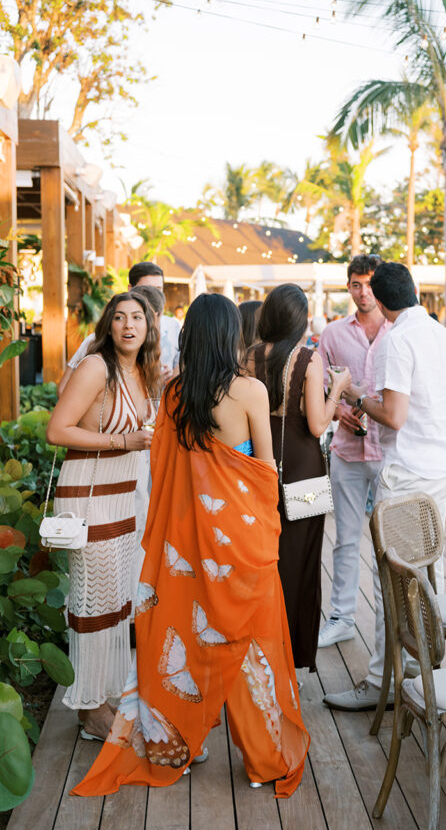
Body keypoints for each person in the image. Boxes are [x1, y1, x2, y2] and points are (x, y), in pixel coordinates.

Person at [72, 294, 309, 797]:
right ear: (232, 336)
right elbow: (266, 470)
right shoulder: (248, 391)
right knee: (250, 645)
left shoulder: (174, 393)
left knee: (190, 635)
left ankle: (182, 739)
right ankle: (264, 758)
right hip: (243, 540)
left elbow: (163, 473)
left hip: (189, 542)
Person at [323, 262, 446, 711]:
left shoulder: (397, 339)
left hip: (407, 471)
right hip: (441, 466)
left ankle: (381, 681)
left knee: (394, 577)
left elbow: (395, 415)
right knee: (427, 571)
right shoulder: (444, 336)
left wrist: (353, 396)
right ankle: (422, 668)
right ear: (415, 291)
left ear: (380, 302)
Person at [46, 292, 158, 739]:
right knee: (93, 603)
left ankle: (104, 695)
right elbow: (58, 429)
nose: (129, 325)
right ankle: (88, 709)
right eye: (120, 317)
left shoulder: (141, 372)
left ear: (149, 326)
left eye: (137, 317)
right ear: (108, 326)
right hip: (90, 498)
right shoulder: (97, 366)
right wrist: (121, 443)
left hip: (124, 498)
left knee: (116, 603)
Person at [246, 285, 351, 671]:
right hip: (305, 470)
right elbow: (318, 422)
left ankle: (258, 650)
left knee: (263, 559)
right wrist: (337, 389)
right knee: (302, 559)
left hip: (260, 462)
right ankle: (291, 655)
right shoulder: (309, 359)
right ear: (301, 318)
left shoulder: (250, 357)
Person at [317, 256, 390, 648]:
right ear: (348, 287)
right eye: (356, 284)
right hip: (346, 450)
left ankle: (390, 620)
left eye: (369, 284)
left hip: (388, 454)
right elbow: (319, 387)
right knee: (346, 539)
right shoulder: (331, 334)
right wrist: (338, 411)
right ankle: (342, 617)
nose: (364, 292)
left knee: (389, 542)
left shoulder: (397, 330)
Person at [59, 261, 181, 395]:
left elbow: (178, 374)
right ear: (131, 290)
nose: (152, 296)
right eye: (146, 289)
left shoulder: (173, 327)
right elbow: (64, 390)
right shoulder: (99, 342)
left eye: (158, 289)